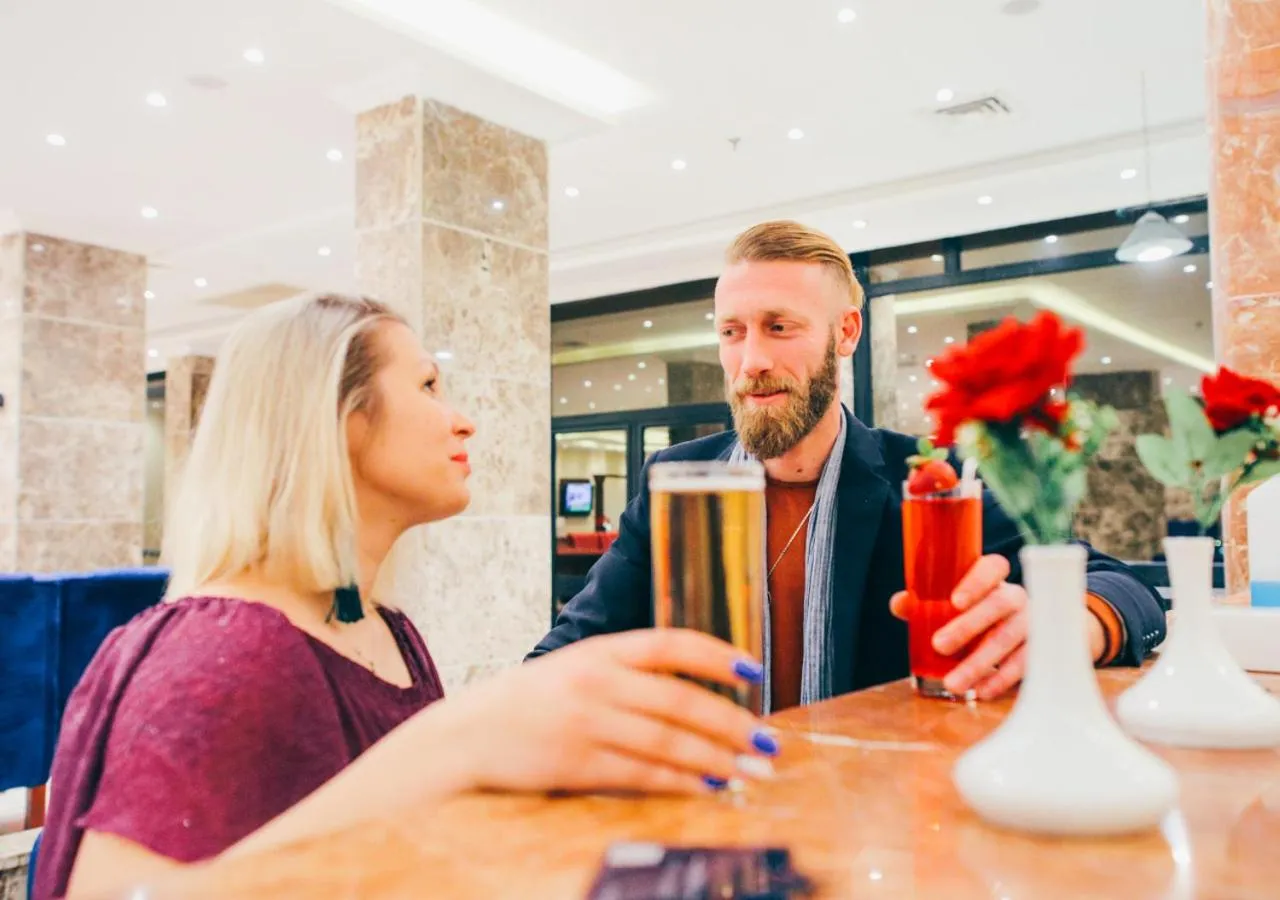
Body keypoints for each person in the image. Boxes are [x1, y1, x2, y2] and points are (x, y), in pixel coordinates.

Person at [35, 294, 776, 900]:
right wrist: (458, 740)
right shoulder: (224, 649)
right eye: (426, 386)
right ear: (339, 419)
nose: (463, 419)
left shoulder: (391, 632)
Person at [530, 220, 1166, 711]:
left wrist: (1072, 623)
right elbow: (563, 653)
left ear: (847, 333)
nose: (750, 359)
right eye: (732, 332)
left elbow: (1127, 591)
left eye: (780, 327)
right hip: (714, 806)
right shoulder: (676, 482)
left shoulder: (929, 477)